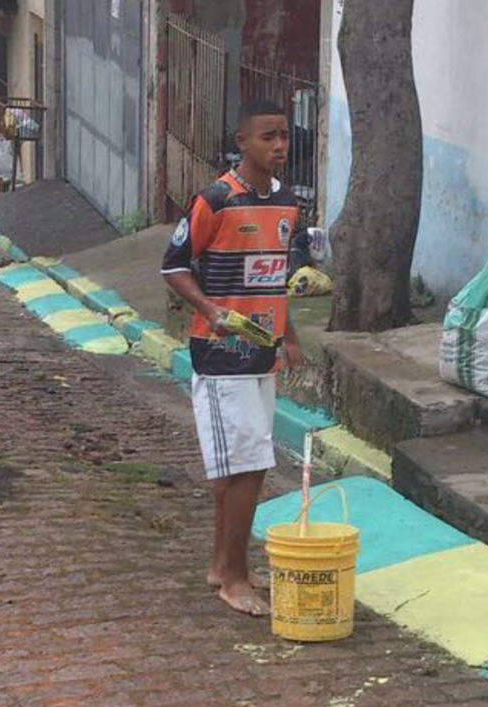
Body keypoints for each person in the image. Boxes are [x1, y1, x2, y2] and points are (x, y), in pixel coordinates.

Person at [161, 100, 302, 616]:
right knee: (248, 463)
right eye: (268, 137)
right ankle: (235, 579)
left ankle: (223, 565)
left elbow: (277, 274)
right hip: (222, 353)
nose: (279, 145)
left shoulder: (287, 202)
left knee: (243, 466)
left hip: (265, 350)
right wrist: (209, 309)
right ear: (242, 142)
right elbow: (174, 266)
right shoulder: (215, 200)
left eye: (284, 136)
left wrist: (290, 335)